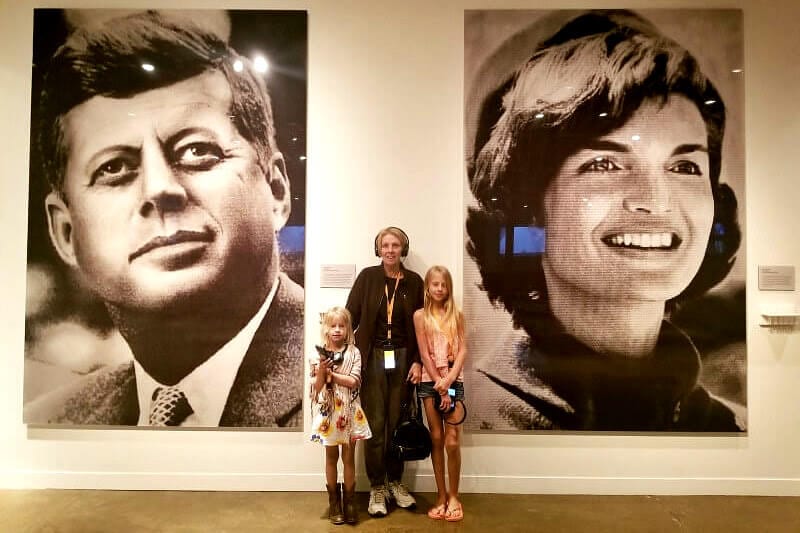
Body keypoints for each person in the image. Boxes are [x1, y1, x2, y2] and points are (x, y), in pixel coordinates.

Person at [465, 10, 745, 431]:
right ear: (525, 207)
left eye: (685, 166)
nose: (655, 202)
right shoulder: (478, 420)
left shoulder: (731, 425)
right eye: (604, 164)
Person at [23, 10, 304, 427]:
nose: (160, 189)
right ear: (66, 233)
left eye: (196, 151)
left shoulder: (335, 382)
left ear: (276, 191)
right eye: (114, 168)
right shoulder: (53, 419)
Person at [345, 226, 424, 517]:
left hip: (404, 358)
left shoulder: (415, 282)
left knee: (398, 422)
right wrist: (340, 354)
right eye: (385, 245)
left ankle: (395, 482)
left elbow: (422, 328)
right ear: (378, 249)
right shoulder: (367, 278)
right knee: (376, 424)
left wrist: (418, 360)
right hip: (373, 358)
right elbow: (349, 315)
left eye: (396, 245)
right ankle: (377, 486)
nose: (390, 250)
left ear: (403, 248)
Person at [413, 266, 466, 522]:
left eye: (443, 285)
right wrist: (438, 382)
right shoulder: (420, 316)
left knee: (452, 440)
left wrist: (449, 381)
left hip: (453, 381)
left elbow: (464, 350)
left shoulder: (457, 315)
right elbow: (424, 353)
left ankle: (455, 495)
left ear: (449, 288)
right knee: (436, 437)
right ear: (428, 287)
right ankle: (441, 495)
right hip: (429, 382)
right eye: (435, 284)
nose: (439, 289)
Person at [310, 307, 371, 525]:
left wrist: (331, 374)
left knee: (348, 457)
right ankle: (334, 501)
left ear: (347, 329)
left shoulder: (354, 352)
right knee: (330, 457)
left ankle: (350, 502)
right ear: (325, 328)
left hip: (349, 410)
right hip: (329, 412)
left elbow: (354, 381)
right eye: (333, 325)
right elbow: (316, 388)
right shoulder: (318, 354)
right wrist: (321, 373)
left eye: (341, 326)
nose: (337, 330)